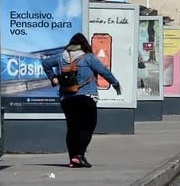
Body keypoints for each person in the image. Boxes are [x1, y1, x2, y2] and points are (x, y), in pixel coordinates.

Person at [41, 33, 121, 169]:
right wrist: (115, 84)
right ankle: (79, 156)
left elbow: (45, 63)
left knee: (72, 128)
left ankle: (73, 159)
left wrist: (53, 77)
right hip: (86, 97)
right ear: (84, 44)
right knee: (88, 127)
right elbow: (104, 71)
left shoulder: (61, 57)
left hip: (67, 98)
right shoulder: (89, 58)